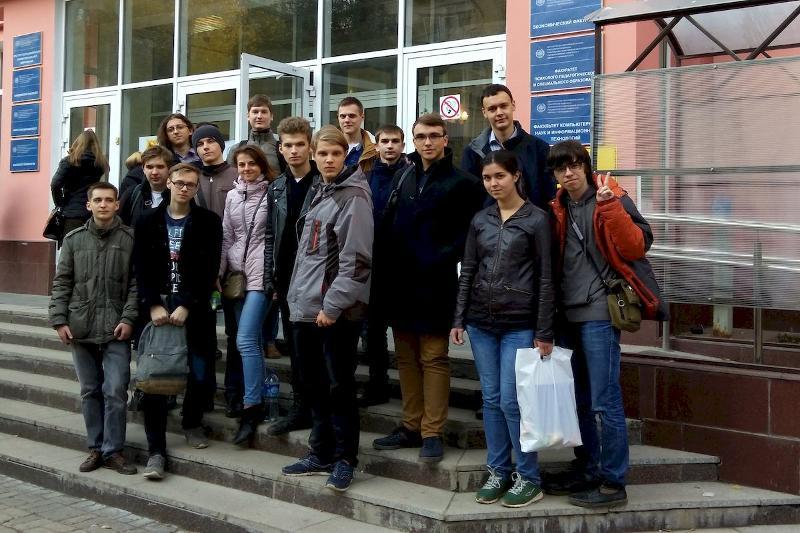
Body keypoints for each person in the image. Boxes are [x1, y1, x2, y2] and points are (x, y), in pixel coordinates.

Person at [543, 140, 667, 508]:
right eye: (561, 168)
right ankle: (588, 468)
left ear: (585, 166)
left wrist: (610, 206)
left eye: (574, 165)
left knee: (604, 399)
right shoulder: (557, 206)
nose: (568, 173)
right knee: (579, 398)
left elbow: (636, 247)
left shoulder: (611, 197)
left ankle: (614, 482)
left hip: (599, 312)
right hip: (567, 313)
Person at [372, 114, 484, 463]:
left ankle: (431, 431)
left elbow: (470, 236)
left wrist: (437, 256)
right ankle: (410, 425)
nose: (428, 142)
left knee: (433, 357)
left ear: (445, 139)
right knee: (406, 357)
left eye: (434, 136)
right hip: (401, 283)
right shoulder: (404, 176)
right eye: (421, 136)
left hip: (437, 283)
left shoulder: (464, 183)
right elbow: (390, 225)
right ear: (414, 141)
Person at [450, 150, 554, 508]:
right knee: (491, 400)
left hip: (519, 324)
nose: (493, 183)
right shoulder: (481, 219)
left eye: (499, 176)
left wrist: (544, 330)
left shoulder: (537, 219)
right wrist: (459, 318)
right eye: (487, 178)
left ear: (516, 176)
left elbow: (546, 278)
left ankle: (529, 477)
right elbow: (468, 270)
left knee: (513, 401)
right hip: (481, 323)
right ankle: (498, 470)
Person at [280, 125, 373, 493]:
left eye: (336, 153)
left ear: (345, 155)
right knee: (314, 385)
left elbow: (357, 262)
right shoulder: (321, 190)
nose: (329, 159)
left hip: (334, 313)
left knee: (339, 388)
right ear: (314, 156)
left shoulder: (354, 196)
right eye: (323, 153)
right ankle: (320, 452)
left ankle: (345, 459)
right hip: (306, 308)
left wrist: (332, 306)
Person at [134, 163, 222, 480]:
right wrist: (153, 304)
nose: (184, 188)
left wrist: (187, 304)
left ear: (197, 189)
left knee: (199, 371)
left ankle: (192, 422)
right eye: (179, 182)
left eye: (191, 184)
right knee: (156, 378)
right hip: (158, 309)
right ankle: (156, 450)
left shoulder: (209, 221)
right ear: (169, 183)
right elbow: (140, 267)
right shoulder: (147, 221)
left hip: (195, 310)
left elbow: (210, 268)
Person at [48, 181, 138, 476]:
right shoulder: (73, 240)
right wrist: (59, 320)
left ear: (117, 205)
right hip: (81, 326)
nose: (103, 205)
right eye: (97, 200)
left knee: (115, 390)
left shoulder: (129, 239)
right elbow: (62, 282)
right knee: (90, 391)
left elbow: (136, 284)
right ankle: (96, 448)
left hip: (116, 328)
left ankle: (114, 451)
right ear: (88, 205)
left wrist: (128, 319)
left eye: (109, 200)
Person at [262, 116, 319, 437]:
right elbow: (271, 235)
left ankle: (319, 410)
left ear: (310, 147)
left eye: (300, 144)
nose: (294, 150)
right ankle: (300, 408)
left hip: (315, 278)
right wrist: (270, 276)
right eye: (288, 145)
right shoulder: (277, 188)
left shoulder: (323, 183)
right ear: (280, 149)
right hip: (286, 277)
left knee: (315, 347)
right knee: (296, 346)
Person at [219, 144, 277, 445]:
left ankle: (251, 406)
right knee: (249, 341)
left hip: (261, 275)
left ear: (262, 165)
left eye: (252, 163)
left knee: (244, 340)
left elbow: (277, 237)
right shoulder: (232, 195)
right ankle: (262, 396)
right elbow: (227, 236)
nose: (246, 169)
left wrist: (276, 277)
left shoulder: (273, 193)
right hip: (237, 277)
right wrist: (220, 272)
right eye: (241, 164)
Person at [359, 124, 412, 408]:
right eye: (384, 141)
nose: (390, 146)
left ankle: (410, 389)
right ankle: (377, 384)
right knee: (373, 330)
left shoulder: (412, 174)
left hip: (402, 263)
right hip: (372, 262)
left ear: (403, 145)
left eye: (395, 141)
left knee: (404, 331)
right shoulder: (365, 177)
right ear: (376, 145)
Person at [191, 122, 241, 416]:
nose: (205, 147)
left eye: (210, 141)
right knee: (203, 334)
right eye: (200, 144)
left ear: (221, 144)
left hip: (233, 266)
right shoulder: (191, 177)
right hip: (200, 267)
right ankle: (204, 391)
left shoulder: (236, 175)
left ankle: (234, 392)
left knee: (236, 334)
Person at [461, 84, 555, 211]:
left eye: (503, 106)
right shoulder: (472, 152)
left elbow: (549, 195)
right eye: (492, 109)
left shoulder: (539, 148)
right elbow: (468, 199)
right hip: (487, 223)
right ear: (484, 112)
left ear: (513, 105)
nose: (499, 112)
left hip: (531, 222)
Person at [50, 129, 110, 244]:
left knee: (71, 249)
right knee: (92, 248)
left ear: (78, 143)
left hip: (72, 214)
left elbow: (55, 184)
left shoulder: (69, 161)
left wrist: (60, 203)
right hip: (93, 211)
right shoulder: (100, 163)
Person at [228, 94, 285, 173]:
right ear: (248, 116)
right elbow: (230, 177)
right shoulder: (236, 150)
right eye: (255, 112)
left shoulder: (282, 149)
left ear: (271, 116)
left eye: (264, 112)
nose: (259, 116)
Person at [119, 145, 172, 228]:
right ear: (143, 169)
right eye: (149, 167)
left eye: (160, 167)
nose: (154, 172)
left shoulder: (179, 195)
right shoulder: (133, 194)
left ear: (169, 168)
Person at [337, 97, 377, 172]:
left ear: (362, 117)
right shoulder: (326, 145)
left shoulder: (376, 149)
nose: (347, 120)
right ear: (338, 118)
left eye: (352, 116)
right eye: (343, 116)